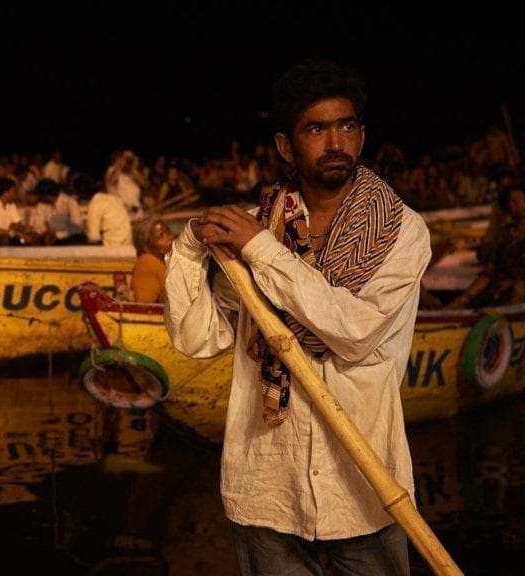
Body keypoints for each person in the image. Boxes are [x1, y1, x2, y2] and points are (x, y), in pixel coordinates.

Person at [163, 58, 431, 575]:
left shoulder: (402, 231)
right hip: (268, 483)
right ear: (287, 145)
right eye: (316, 128)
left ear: (362, 134)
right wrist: (190, 250)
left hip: (366, 484)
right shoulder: (256, 226)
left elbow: (352, 332)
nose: (336, 142)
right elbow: (199, 338)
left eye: (346, 126)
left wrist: (261, 250)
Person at [446, 178, 525, 308]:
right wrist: (464, 298)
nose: (518, 203)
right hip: (503, 290)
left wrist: (513, 283)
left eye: (521, 198)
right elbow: (490, 271)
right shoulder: (505, 234)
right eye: (512, 201)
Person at [78, 173, 132, 248]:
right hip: (127, 245)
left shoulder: (95, 204)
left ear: (81, 194)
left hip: (111, 248)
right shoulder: (115, 199)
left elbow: (93, 237)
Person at [130, 219, 174, 303]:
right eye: (160, 236)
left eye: (168, 232)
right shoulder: (147, 262)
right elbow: (145, 306)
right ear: (145, 245)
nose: (168, 238)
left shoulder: (165, 261)